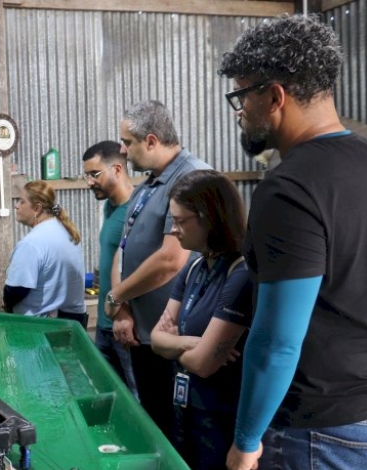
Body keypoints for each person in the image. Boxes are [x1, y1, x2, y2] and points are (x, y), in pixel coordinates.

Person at [219, 14, 367, 470]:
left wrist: (245, 442)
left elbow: (277, 342)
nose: (240, 112)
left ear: (274, 95)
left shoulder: (289, 188)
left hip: (318, 432)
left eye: (242, 97)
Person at [104, 100, 211, 436]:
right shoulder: (149, 184)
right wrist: (121, 307)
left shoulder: (191, 177)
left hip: (176, 338)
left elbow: (171, 260)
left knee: (179, 433)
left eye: (128, 142)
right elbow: (122, 248)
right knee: (155, 425)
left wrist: (116, 295)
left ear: (151, 141)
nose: (122, 150)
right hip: (142, 334)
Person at [150, 170, 252, 469]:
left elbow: (205, 364)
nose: (173, 230)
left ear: (209, 217)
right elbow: (156, 339)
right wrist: (193, 342)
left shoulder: (241, 274)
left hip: (222, 418)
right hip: (188, 409)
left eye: (180, 221)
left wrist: (175, 344)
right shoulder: (195, 267)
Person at [81, 141, 138, 398]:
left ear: (117, 169)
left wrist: (124, 312)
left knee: (137, 400)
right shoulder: (108, 207)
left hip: (126, 325)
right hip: (105, 325)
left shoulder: (137, 211)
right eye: (87, 175)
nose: (89, 182)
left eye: (94, 174)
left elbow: (142, 270)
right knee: (109, 396)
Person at [3, 180, 85, 320]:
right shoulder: (67, 231)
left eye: (22, 202)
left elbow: (16, 290)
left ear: (37, 208)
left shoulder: (31, 244)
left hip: (39, 327)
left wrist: (7, 304)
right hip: (71, 322)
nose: (16, 206)